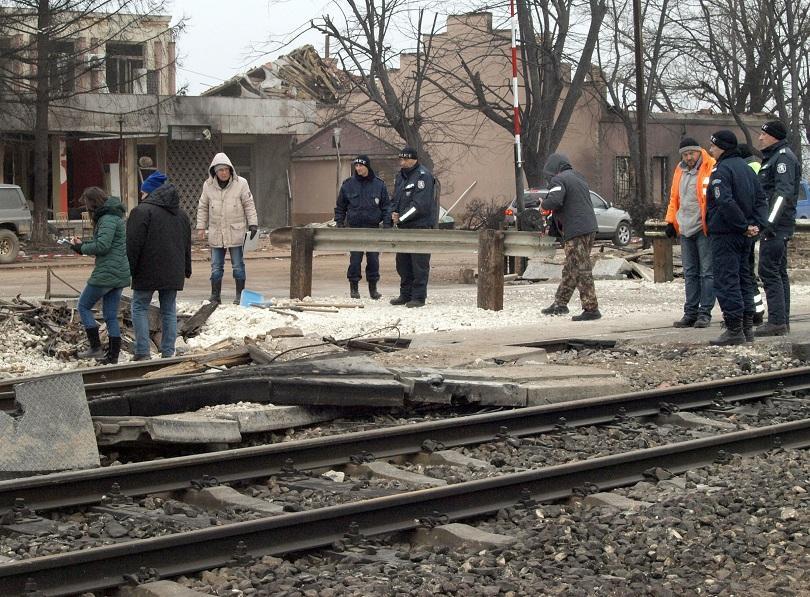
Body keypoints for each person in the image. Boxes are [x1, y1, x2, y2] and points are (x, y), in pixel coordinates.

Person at [705, 130, 768, 346]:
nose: (710, 149)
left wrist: (741, 226)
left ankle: (734, 329)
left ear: (722, 147)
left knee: (727, 280)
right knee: (744, 279)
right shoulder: (747, 168)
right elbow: (761, 199)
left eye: (713, 146)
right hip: (746, 236)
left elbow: (725, 203)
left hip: (727, 234)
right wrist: (755, 226)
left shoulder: (722, 171)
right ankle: (747, 327)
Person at [127, 171, 192, 360]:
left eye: (143, 192)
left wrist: (129, 269)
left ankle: (142, 351)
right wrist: (186, 268)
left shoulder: (141, 212)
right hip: (173, 271)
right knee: (169, 310)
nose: (141, 195)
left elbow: (133, 244)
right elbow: (186, 244)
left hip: (146, 269)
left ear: (151, 192)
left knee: (139, 306)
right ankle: (168, 351)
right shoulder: (181, 215)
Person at [71, 187, 130, 364]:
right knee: (110, 315)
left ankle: (95, 348)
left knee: (83, 306)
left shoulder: (107, 219)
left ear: (93, 202)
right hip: (118, 273)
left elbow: (103, 246)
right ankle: (112, 356)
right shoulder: (114, 216)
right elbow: (103, 243)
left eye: (87, 205)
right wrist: (84, 244)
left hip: (107, 272)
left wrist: (81, 248)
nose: (87, 209)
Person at [539, 153, 601, 321]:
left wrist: (543, 205)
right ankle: (560, 303)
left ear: (554, 170)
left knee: (581, 268)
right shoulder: (578, 177)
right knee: (571, 268)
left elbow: (555, 200)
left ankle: (591, 309)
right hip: (590, 227)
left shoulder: (558, 180)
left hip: (575, 230)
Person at [664, 136, 716, 329]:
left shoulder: (710, 166)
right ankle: (690, 312)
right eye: (685, 154)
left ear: (698, 151)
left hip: (704, 228)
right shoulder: (680, 170)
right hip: (685, 228)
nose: (688, 157)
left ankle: (705, 312)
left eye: (691, 153)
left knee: (707, 273)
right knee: (690, 272)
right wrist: (670, 221)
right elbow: (674, 198)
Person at [756, 120, 801, 337]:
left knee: (769, 270)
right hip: (778, 225)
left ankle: (776, 321)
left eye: (763, 134)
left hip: (776, 227)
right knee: (778, 271)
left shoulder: (782, 159)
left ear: (773, 136)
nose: (760, 138)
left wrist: (769, 223)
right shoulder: (776, 157)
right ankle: (781, 320)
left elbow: (781, 194)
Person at [196, 152, 258, 305]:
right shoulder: (208, 185)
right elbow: (203, 207)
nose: (223, 173)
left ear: (231, 170)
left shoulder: (241, 183)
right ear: (215, 172)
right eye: (220, 170)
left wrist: (253, 223)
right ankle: (215, 296)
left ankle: (239, 296)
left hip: (236, 232)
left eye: (226, 169)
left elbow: (249, 204)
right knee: (216, 267)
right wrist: (201, 227)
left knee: (238, 265)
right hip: (216, 233)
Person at [334, 154, 392, 299]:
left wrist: (387, 224)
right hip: (355, 228)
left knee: (373, 259)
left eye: (360, 165)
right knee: (355, 260)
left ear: (367, 166)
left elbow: (386, 207)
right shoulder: (348, 184)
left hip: (373, 228)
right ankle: (354, 288)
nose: (358, 168)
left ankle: (373, 289)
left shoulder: (379, 185)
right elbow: (340, 206)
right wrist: (339, 222)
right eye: (356, 166)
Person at [390, 146, 438, 308]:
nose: (401, 162)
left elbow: (420, 205)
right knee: (403, 263)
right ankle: (405, 294)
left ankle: (418, 297)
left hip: (420, 227)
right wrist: (392, 214)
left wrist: (400, 218)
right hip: (404, 228)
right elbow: (395, 201)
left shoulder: (423, 177)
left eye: (404, 159)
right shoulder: (401, 177)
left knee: (419, 264)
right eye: (400, 159)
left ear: (413, 159)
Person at [738, 143, 766, 326]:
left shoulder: (747, 170)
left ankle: (753, 311)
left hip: (749, 228)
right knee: (749, 271)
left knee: (746, 272)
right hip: (756, 226)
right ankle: (756, 309)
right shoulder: (757, 166)